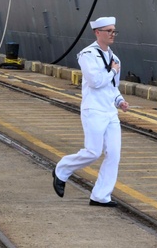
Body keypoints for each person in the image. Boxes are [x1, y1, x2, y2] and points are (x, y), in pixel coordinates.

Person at [52, 16, 128, 206]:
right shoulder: (87, 55)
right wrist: (112, 71)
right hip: (93, 110)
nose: (112, 34)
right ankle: (62, 169)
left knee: (114, 154)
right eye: (109, 31)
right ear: (97, 32)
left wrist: (120, 101)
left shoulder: (115, 59)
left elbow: (112, 87)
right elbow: (94, 82)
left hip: (110, 112)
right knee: (93, 152)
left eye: (114, 31)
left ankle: (101, 196)